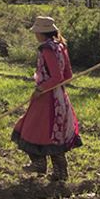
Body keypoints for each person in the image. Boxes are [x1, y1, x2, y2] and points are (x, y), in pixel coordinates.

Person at [12, 16, 82, 182]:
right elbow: (67, 75)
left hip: (47, 98)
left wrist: (41, 88)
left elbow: (57, 76)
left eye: (36, 32)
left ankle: (41, 164)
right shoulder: (60, 46)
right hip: (59, 96)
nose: (35, 35)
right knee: (52, 133)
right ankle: (57, 171)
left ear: (41, 33)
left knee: (29, 129)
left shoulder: (47, 49)